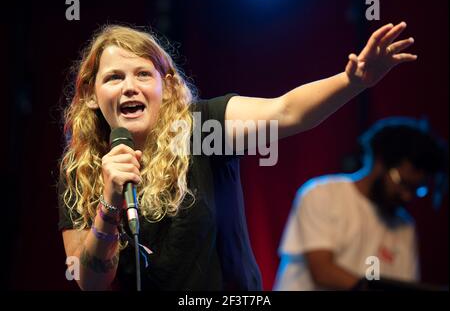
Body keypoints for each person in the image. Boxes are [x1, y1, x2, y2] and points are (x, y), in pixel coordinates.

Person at [58, 22, 417, 290]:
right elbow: (89, 282)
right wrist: (109, 203)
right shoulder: (82, 170)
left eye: (142, 74)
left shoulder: (205, 126)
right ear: (91, 94)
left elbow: (287, 112)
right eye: (114, 77)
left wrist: (352, 81)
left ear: (165, 88)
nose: (130, 86)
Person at [273, 117, 447, 291]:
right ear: (379, 162)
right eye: (402, 182)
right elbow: (322, 271)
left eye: (417, 189)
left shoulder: (405, 226)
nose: (407, 196)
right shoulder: (321, 193)